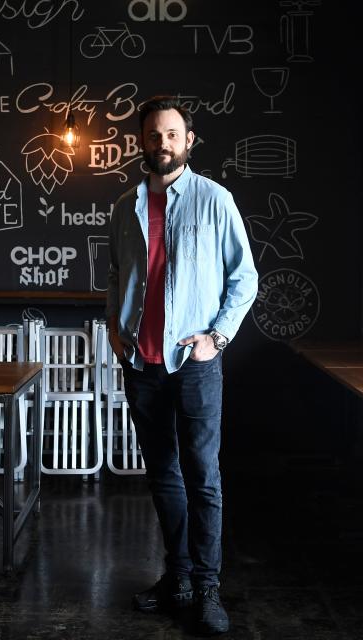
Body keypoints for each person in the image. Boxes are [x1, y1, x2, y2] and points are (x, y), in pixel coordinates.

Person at [105, 95, 258, 635]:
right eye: (153, 134)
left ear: (188, 141)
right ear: (141, 141)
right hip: (142, 364)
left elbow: (245, 278)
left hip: (193, 362)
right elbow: (116, 274)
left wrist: (216, 338)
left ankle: (208, 587)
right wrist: (114, 328)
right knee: (163, 475)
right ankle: (179, 577)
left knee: (203, 477)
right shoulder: (125, 206)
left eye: (172, 134)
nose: (162, 143)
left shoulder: (215, 200)